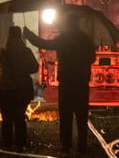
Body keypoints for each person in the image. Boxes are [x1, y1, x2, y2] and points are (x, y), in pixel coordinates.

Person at [23, 13, 96, 154]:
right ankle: (82, 146)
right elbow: (92, 58)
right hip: (81, 82)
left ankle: (66, 145)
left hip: (67, 81)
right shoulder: (85, 39)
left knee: (66, 115)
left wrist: (29, 34)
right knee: (81, 117)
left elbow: (45, 44)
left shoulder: (64, 38)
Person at [0, 26, 39, 152]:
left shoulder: (1, 52)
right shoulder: (26, 51)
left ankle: (6, 145)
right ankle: (19, 145)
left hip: (2, 90)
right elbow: (34, 68)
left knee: (6, 118)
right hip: (21, 88)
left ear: (8, 35)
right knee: (19, 118)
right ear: (20, 36)